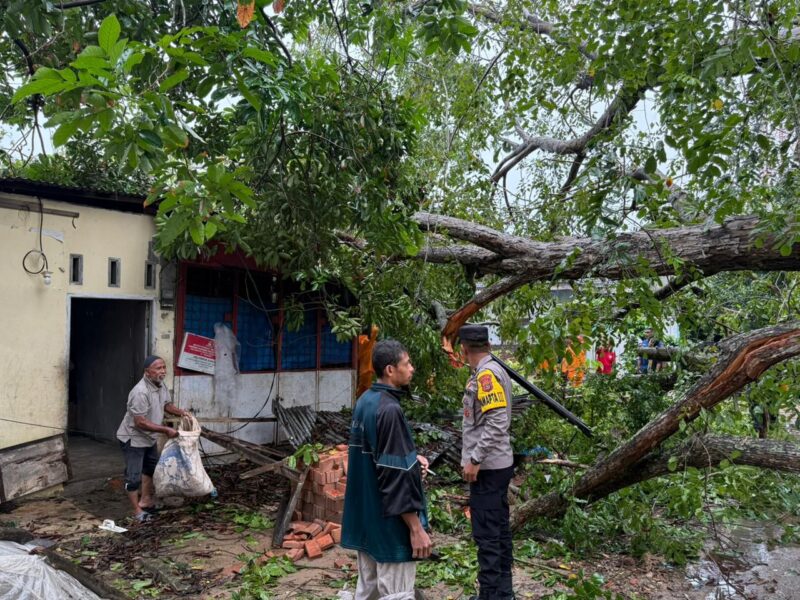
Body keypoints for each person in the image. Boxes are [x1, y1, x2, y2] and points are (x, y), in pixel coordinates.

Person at [341, 339, 432, 600]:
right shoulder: (389, 410)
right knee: (397, 593)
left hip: (366, 520)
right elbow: (395, 476)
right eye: (407, 364)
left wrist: (412, 460)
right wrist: (416, 528)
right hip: (389, 526)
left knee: (369, 591)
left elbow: (375, 457)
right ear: (390, 370)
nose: (412, 368)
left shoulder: (366, 401)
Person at [459, 324, 515, 600]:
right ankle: (503, 593)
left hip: (488, 468)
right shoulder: (494, 370)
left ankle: (491, 595)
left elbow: (497, 422)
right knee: (499, 532)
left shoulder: (486, 376)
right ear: (488, 346)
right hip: (497, 465)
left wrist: (475, 458)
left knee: (488, 536)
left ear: (463, 350)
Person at [116, 355, 189, 522]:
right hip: (133, 439)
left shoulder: (160, 384)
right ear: (147, 372)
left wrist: (182, 413)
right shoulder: (140, 392)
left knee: (150, 469)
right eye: (158, 368)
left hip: (149, 438)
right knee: (133, 477)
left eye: (164, 367)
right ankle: (137, 511)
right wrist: (165, 429)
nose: (163, 371)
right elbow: (140, 422)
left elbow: (166, 405)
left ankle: (146, 500)